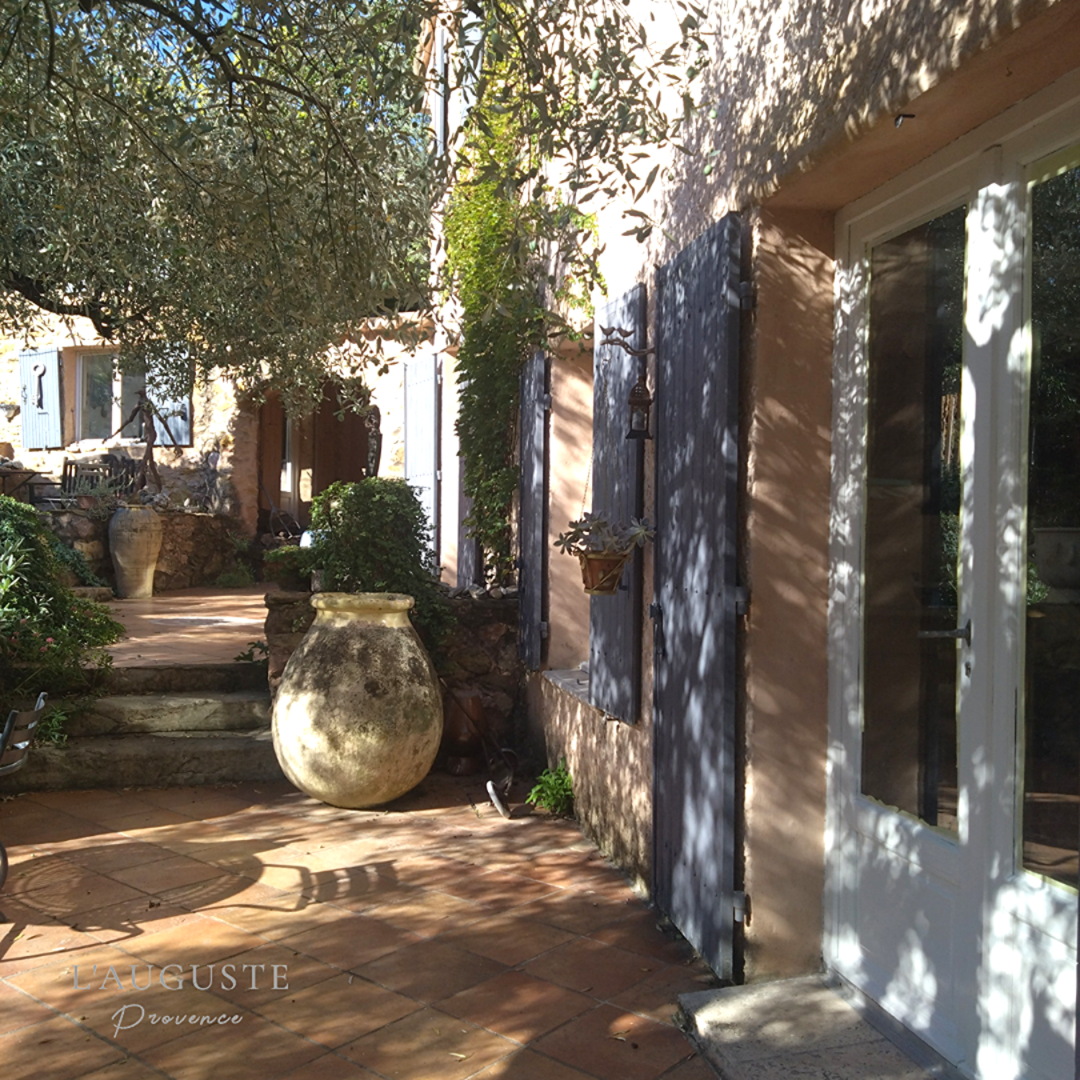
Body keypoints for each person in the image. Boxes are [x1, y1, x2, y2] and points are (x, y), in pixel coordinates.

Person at [109, 389, 178, 493]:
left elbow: (163, 422)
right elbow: (129, 419)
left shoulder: (147, 404)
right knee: (151, 465)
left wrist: (175, 444)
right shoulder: (140, 404)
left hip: (151, 434)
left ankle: (136, 493)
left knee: (143, 463)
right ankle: (160, 490)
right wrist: (114, 434)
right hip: (146, 435)